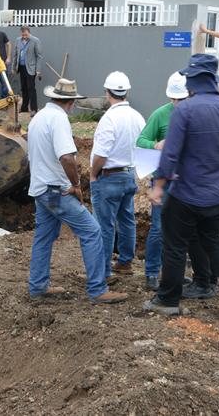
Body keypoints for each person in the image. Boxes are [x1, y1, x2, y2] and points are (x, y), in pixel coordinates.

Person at [143, 54, 219, 322]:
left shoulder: (186, 110)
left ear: (192, 80)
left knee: (174, 246)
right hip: (217, 196)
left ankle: (167, 299)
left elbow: (170, 155)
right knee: (215, 244)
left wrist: (159, 185)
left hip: (185, 194)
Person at [27, 78, 128, 305]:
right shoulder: (59, 119)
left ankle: (38, 286)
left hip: (41, 189)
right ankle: (97, 289)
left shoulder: (39, 117)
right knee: (92, 232)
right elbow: (66, 156)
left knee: (43, 238)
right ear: (71, 102)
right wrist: (75, 185)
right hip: (56, 190)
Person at [90, 71, 146, 282]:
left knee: (104, 225)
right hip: (128, 174)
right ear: (126, 92)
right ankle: (125, 261)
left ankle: (103, 271)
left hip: (109, 177)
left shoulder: (109, 119)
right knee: (127, 220)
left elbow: (101, 155)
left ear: (107, 92)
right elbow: (142, 146)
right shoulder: (137, 116)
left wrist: (94, 175)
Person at [136, 71, 189, 290]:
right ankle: (151, 273)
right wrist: (155, 145)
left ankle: (173, 274)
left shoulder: (194, 114)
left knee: (181, 230)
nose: (177, 103)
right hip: (164, 180)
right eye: (174, 99)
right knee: (158, 228)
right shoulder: (160, 115)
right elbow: (141, 140)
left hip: (186, 181)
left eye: (181, 99)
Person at [11, 26, 42, 114]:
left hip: (31, 68)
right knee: (23, 88)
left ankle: (33, 109)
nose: (24, 36)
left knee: (31, 88)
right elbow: (15, 54)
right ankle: (24, 108)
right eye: (23, 35)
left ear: (29, 32)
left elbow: (39, 56)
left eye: (26, 35)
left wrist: (38, 70)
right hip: (21, 67)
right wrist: (14, 67)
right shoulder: (18, 40)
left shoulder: (35, 40)